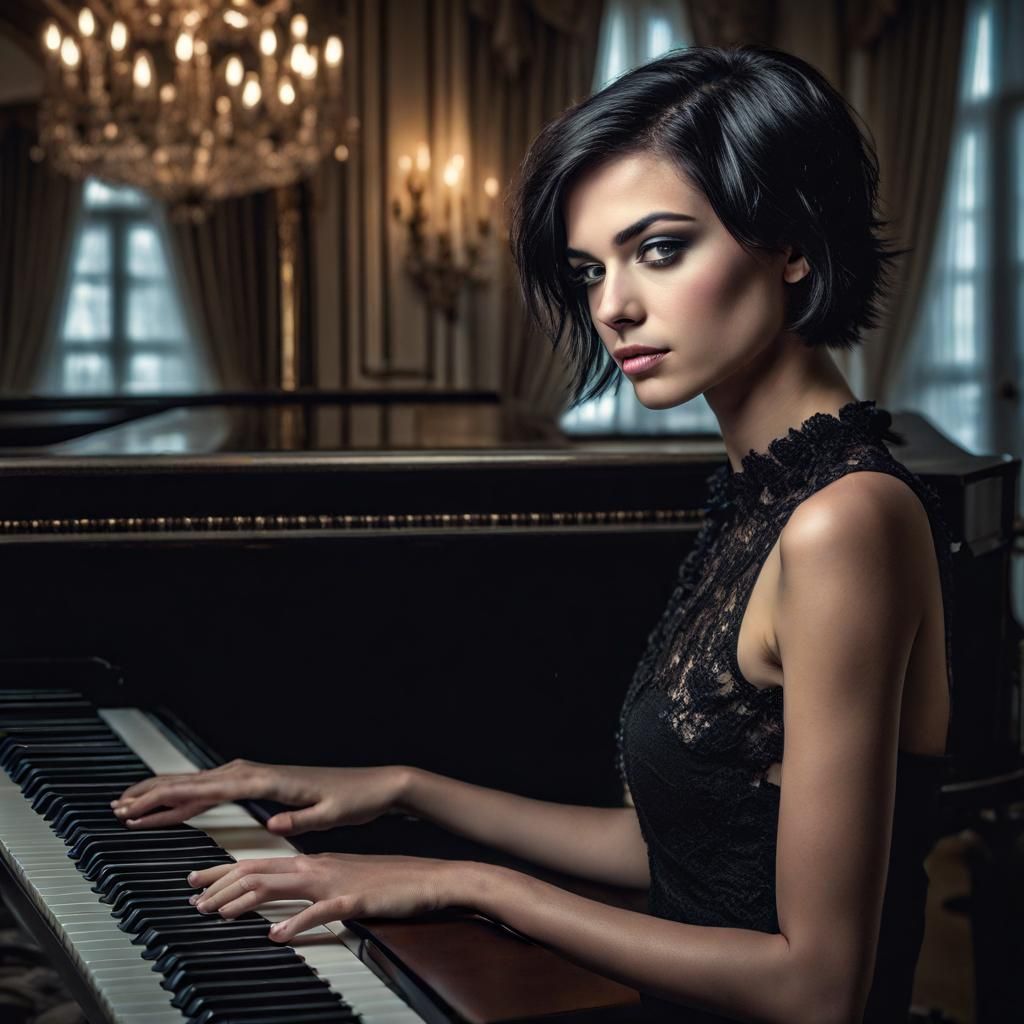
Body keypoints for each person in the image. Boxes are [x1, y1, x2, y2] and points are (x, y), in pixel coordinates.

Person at [112, 44, 957, 1024]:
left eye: (660, 249)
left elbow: (817, 987)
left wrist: (471, 884)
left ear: (792, 243)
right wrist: (406, 787)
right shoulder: (762, 499)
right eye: (590, 269)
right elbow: (674, 846)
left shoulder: (843, 521)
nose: (612, 307)